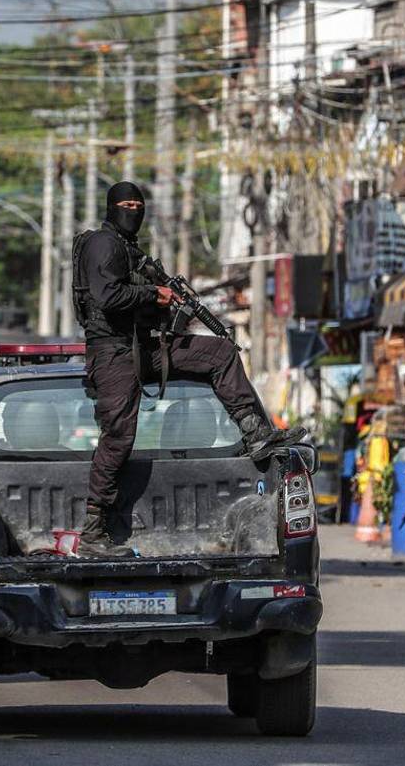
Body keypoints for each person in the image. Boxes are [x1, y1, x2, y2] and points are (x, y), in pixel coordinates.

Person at [72, 181, 296, 557]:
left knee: (220, 352)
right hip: (112, 352)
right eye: (126, 204)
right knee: (119, 435)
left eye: (138, 204)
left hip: (142, 347)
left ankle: (255, 432)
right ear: (111, 208)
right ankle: (93, 532)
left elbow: (136, 298)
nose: (133, 210)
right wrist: (152, 294)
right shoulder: (103, 243)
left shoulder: (129, 249)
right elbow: (106, 297)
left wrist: (166, 303)